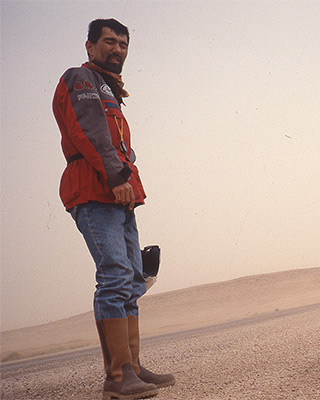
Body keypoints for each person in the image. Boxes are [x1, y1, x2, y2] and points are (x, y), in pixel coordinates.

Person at [52, 18, 175, 399]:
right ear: (90, 46)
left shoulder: (109, 90)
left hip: (117, 194)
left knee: (133, 280)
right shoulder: (82, 80)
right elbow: (89, 132)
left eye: (123, 44)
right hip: (97, 189)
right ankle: (118, 378)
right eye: (109, 42)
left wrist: (127, 185)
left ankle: (133, 367)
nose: (117, 49)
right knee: (116, 277)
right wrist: (117, 176)